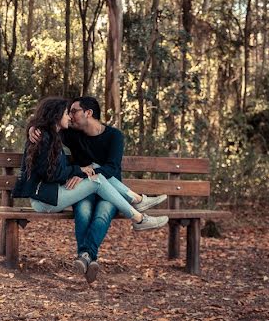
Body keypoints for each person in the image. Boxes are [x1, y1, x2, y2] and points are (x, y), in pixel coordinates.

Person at [12, 97, 167, 283]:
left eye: (73, 112)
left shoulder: (111, 136)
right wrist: (32, 128)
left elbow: (110, 168)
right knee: (94, 185)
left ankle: (86, 256)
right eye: (66, 113)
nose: (69, 116)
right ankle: (138, 212)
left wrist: (83, 172)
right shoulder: (51, 135)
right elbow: (51, 171)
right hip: (48, 199)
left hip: (97, 192)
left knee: (96, 177)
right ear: (56, 117)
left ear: (88, 113)